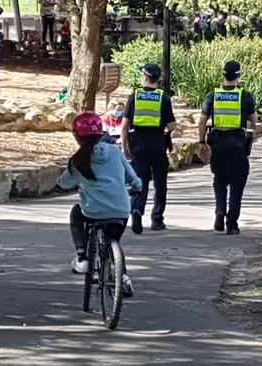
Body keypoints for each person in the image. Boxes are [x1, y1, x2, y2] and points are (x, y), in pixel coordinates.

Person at [57, 112, 142, 297]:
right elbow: (133, 179)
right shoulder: (114, 151)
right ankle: (123, 277)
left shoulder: (78, 161)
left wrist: (60, 185)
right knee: (114, 241)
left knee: (76, 213)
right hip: (120, 211)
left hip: (92, 211)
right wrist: (136, 187)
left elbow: (63, 183)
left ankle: (82, 256)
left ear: (77, 136)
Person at [197, 61, 258, 235]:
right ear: (238, 76)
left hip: (217, 142)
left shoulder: (212, 95)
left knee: (220, 179)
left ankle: (219, 211)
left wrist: (201, 142)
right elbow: (254, 120)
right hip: (238, 144)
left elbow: (202, 120)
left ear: (223, 75)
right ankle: (232, 224)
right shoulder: (244, 96)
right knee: (238, 182)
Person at [121, 64, 177, 234]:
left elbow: (124, 125)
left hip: (138, 143)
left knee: (140, 180)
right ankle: (157, 220)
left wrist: (125, 146)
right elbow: (171, 125)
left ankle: (137, 209)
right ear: (158, 79)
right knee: (160, 183)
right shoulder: (163, 98)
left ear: (145, 77)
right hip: (158, 144)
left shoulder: (134, 97)